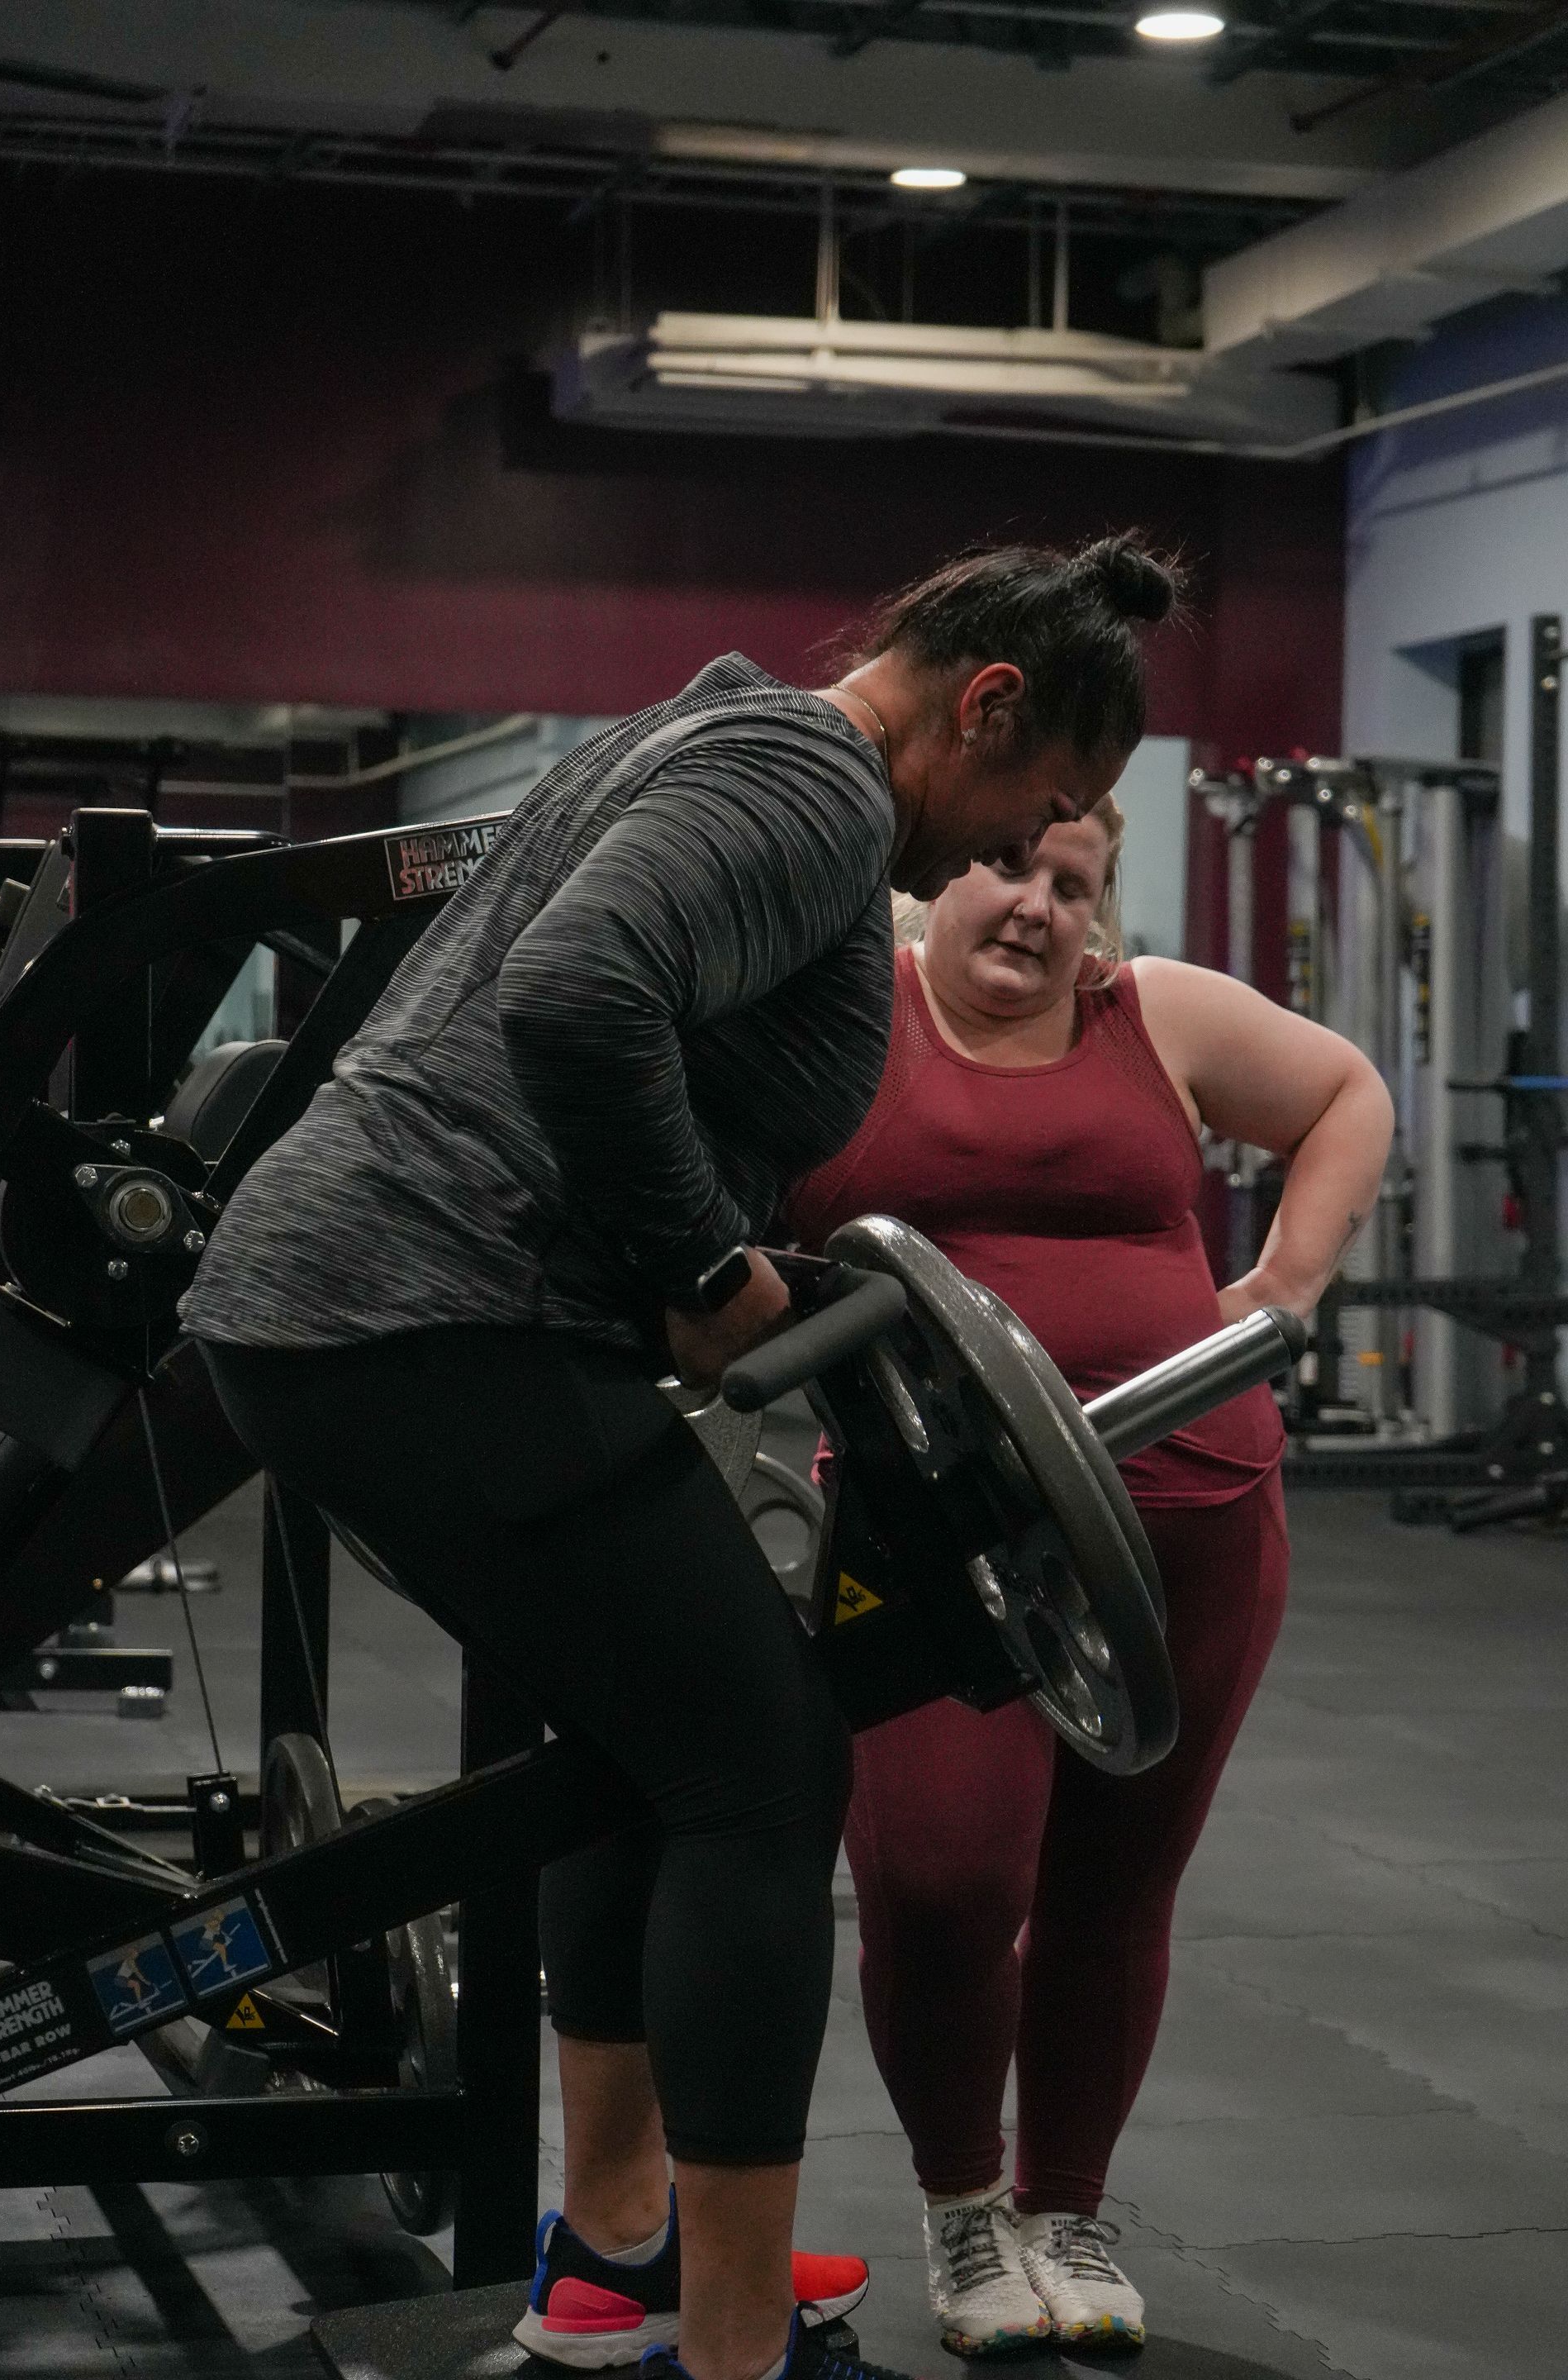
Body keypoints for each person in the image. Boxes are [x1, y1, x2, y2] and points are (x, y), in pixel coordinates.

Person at [178, 537, 1169, 2380]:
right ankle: (724, 2348)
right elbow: (574, 995)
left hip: (368, 1313)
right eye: (1040, 809)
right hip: (427, 1322)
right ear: (987, 704)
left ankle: (618, 2265)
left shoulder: (713, 734)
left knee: (645, 1756)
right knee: (764, 1772)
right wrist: (699, 1272)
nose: (1010, 859)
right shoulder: (806, 787)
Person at [786, 788, 1395, 2355]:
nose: (1036, 906)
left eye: (1074, 881)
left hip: (1188, 1516)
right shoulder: (851, 1021)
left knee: (1117, 1890)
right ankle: (964, 2212)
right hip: (937, 1539)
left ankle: (1066, 2210)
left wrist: (1285, 1285)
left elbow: (1346, 1094)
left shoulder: (1157, 1013)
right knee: (938, 1881)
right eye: (1006, 863)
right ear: (940, 874)